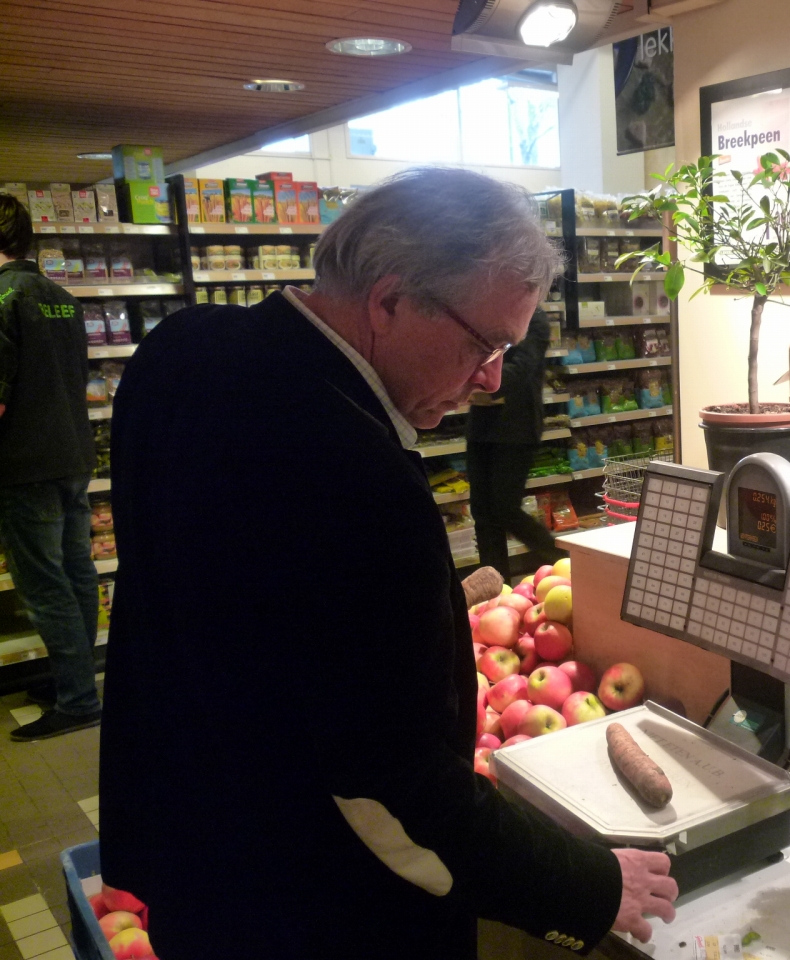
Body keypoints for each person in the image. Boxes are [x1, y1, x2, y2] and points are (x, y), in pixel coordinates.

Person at [99, 169, 677, 960]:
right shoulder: (360, 478)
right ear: (391, 301)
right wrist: (590, 886)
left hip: (192, 855)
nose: (492, 379)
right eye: (484, 343)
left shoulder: (179, 349)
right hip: (315, 909)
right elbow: (392, 786)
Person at [0, 194, 102, 742]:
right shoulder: (61, 297)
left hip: (25, 462)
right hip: (72, 454)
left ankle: (78, 699)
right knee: (77, 570)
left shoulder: (2, 299)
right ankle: (75, 679)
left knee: (44, 586)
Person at [466, 306, 567, 578]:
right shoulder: (486, 310)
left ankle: (565, 561)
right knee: (482, 512)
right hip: (481, 425)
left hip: (516, 427)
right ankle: (496, 587)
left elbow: (523, 367)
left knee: (505, 508)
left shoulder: (535, 318)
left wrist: (478, 382)